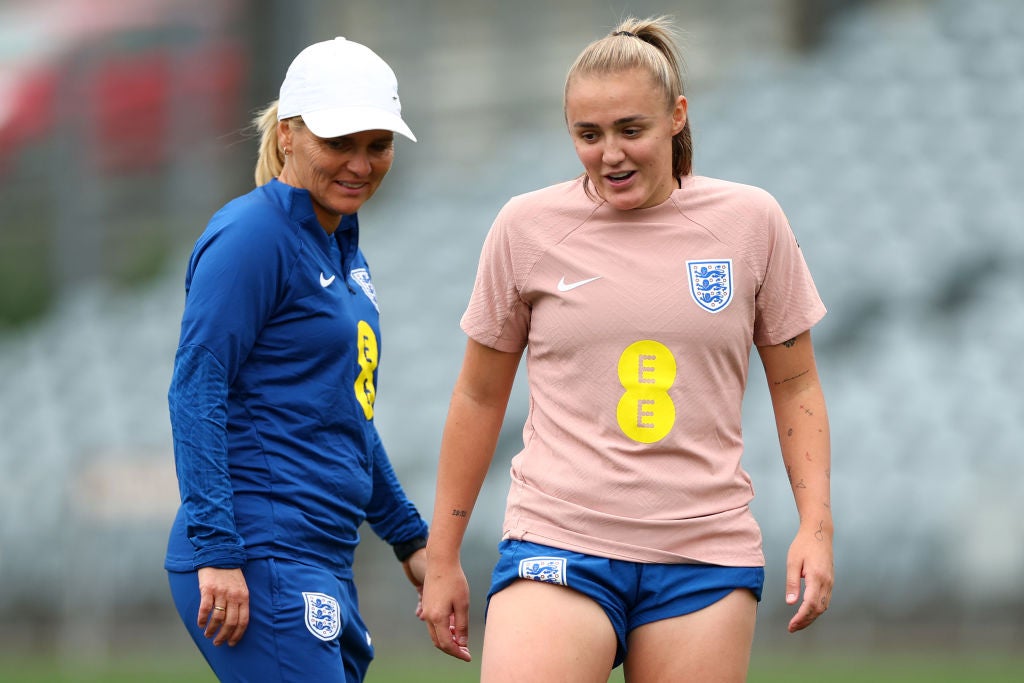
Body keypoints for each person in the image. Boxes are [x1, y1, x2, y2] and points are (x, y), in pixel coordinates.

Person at [421, 16, 833, 682]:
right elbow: (478, 393)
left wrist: (816, 524)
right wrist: (443, 557)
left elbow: (796, 383)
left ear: (677, 117)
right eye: (589, 135)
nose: (609, 154)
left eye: (630, 130)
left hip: (703, 554)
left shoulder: (752, 221)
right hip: (558, 538)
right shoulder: (524, 228)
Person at [165, 37, 429, 683]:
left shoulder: (342, 248)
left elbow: (346, 415)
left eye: (377, 145)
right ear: (288, 134)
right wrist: (220, 552)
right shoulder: (254, 235)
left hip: (318, 554)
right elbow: (196, 390)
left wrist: (410, 538)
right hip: (262, 550)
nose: (361, 164)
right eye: (340, 143)